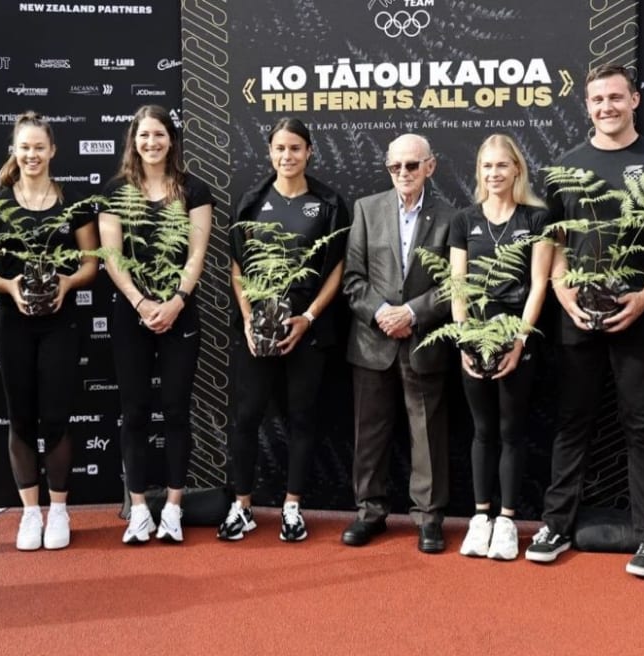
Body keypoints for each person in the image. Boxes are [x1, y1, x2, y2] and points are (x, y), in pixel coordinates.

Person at [525, 65, 644, 577]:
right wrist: (562, 293)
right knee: (572, 422)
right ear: (588, 105)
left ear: (635, 101)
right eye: (597, 99)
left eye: (615, 98)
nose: (606, 107)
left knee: (641, 425)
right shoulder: (566, 164)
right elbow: (552, 242)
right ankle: (555, 524)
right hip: (577, 316)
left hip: (643, 316)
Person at [0, 112, 99, 550]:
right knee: (22, 418)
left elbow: (91, 264)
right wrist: (10, 287)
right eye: (24, 147)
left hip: (61, 325)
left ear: (52, 151)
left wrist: (66, 283)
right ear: (15, 150)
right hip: (13, 325)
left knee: (56, 417)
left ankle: (59, 509)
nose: (31, 154)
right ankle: (30, 513)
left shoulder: (75, 204)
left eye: (39, 147)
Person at [224, 117, 350, 542]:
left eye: (296, 148)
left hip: (308, 331)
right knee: (246, 417)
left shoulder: (329, 203)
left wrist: (309, 317)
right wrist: (246, 318)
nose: (287, 156)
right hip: (256, 331)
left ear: (309, 152)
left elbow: (337, 267)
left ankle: (292, 507)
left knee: (302, 418)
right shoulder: (252, 200)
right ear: (270, 152)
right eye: (280, 148)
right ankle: (241, 507)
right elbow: (237, 267)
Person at [99, 105, 214, 544]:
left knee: (175, 411)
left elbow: (197, 254)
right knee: (134, 413)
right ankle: (139, 510)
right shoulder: (115, 192)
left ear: (172, 140)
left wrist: (176, 301)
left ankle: (173, 507)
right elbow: (111, 257)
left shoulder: (194, 190)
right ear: (134, 140)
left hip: (181, 314)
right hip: (132, 315)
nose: (152, 143)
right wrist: (142, 302)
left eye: (159, 135)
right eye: (144, 136)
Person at [341, 133, 455, 554]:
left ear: (430, 165)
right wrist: (382, 313)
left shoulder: (450, 217)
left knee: (428, 435)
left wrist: (411, 314)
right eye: (395, 167)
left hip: (424, 341)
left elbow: (453, 284)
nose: (403, 174)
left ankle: (428, 518)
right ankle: (369, 511)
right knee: (369, 433)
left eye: (411, 165)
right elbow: (353, 279)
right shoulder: (366, 210)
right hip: (373, 342)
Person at [451, 134, 553, 560]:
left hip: (517, 336)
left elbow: (540, 284)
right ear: (480, 172)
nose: (494, 174)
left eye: (501, 166)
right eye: (487, 167)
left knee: (512, 431)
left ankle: (508, 521)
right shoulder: (463, 220)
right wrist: (463, 341)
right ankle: (480, 518)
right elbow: (457, 287)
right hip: (475, 337)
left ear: (517, 169)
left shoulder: (537, 219)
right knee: (482, 430)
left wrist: (518, 340)